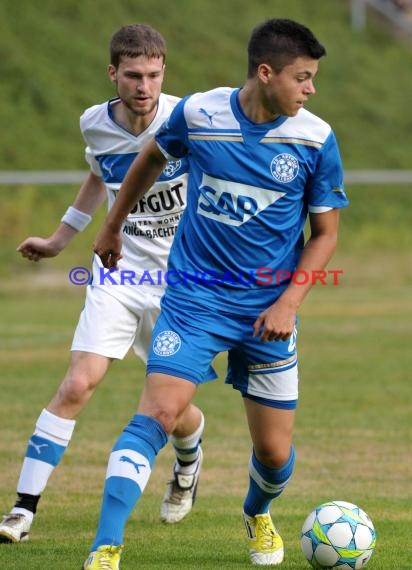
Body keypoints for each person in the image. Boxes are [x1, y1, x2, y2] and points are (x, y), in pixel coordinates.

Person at [84, 18, 349, 569]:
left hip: (268, 311)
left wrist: (288, 303)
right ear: (265, 72)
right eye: (302, 77)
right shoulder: (201, 113)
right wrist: (111, 226)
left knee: (274, 455)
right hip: (193, 298)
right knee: (157, 412)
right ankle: (105, 548)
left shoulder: (315, 138)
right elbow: (152, 158)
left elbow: (324, 235)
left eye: (313, 78)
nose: (311, 89)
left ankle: (258, 513)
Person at [0, 24, 205, 545]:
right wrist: (58, 239)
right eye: (133, 75)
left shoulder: (191, 119)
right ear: (113, 73)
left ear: (164, 74)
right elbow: (99, 175)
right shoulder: (95, 123)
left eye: (154, 75)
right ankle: (23, 510)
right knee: (77, 384)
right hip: (117, 273)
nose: (144, 86)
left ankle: (188, 461)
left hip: (180, 286)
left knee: (173, 409)